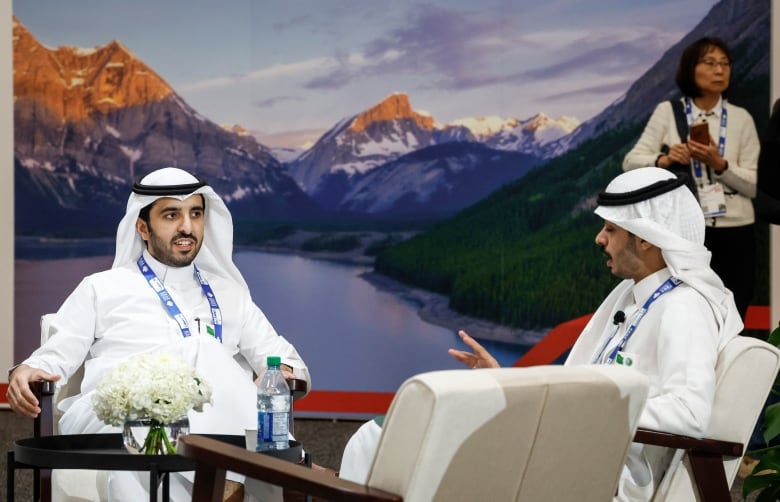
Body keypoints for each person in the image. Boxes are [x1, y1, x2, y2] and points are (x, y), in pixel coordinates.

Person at [340, 167, 743, 502]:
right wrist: (505, 379)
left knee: (387, 443)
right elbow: (587, 382)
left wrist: (584, 411)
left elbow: (689, 415)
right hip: (576, 447)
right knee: (381, 437)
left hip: (600, 472)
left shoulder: (683, 307)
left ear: (645, 238)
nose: (599, 239)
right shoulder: (634, 296)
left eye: (610, 229)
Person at [5, 167, 311, 501]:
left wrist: (272, 375)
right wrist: (25, 370)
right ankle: (239, 486)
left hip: (196, 429)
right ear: (142, 227)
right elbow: (55, 354)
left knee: (133, 472)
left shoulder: (230, 294)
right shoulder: (101, 288)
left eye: (196, 213)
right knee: (199, 350)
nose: (187, 227)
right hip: (112, 414)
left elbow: (284, 362)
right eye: (171, 214)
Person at [622, 37, 759, 322]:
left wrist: (719, 164)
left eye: (725, 64)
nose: (720, 70)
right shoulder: (668, 113)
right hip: (687, 231)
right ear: (690, 69)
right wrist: (665, 159)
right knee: (686, 313)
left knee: (735, 313)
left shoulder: (741, 118)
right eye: (710, 63)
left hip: (737, 233)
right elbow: (630, 162)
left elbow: (754, 184)